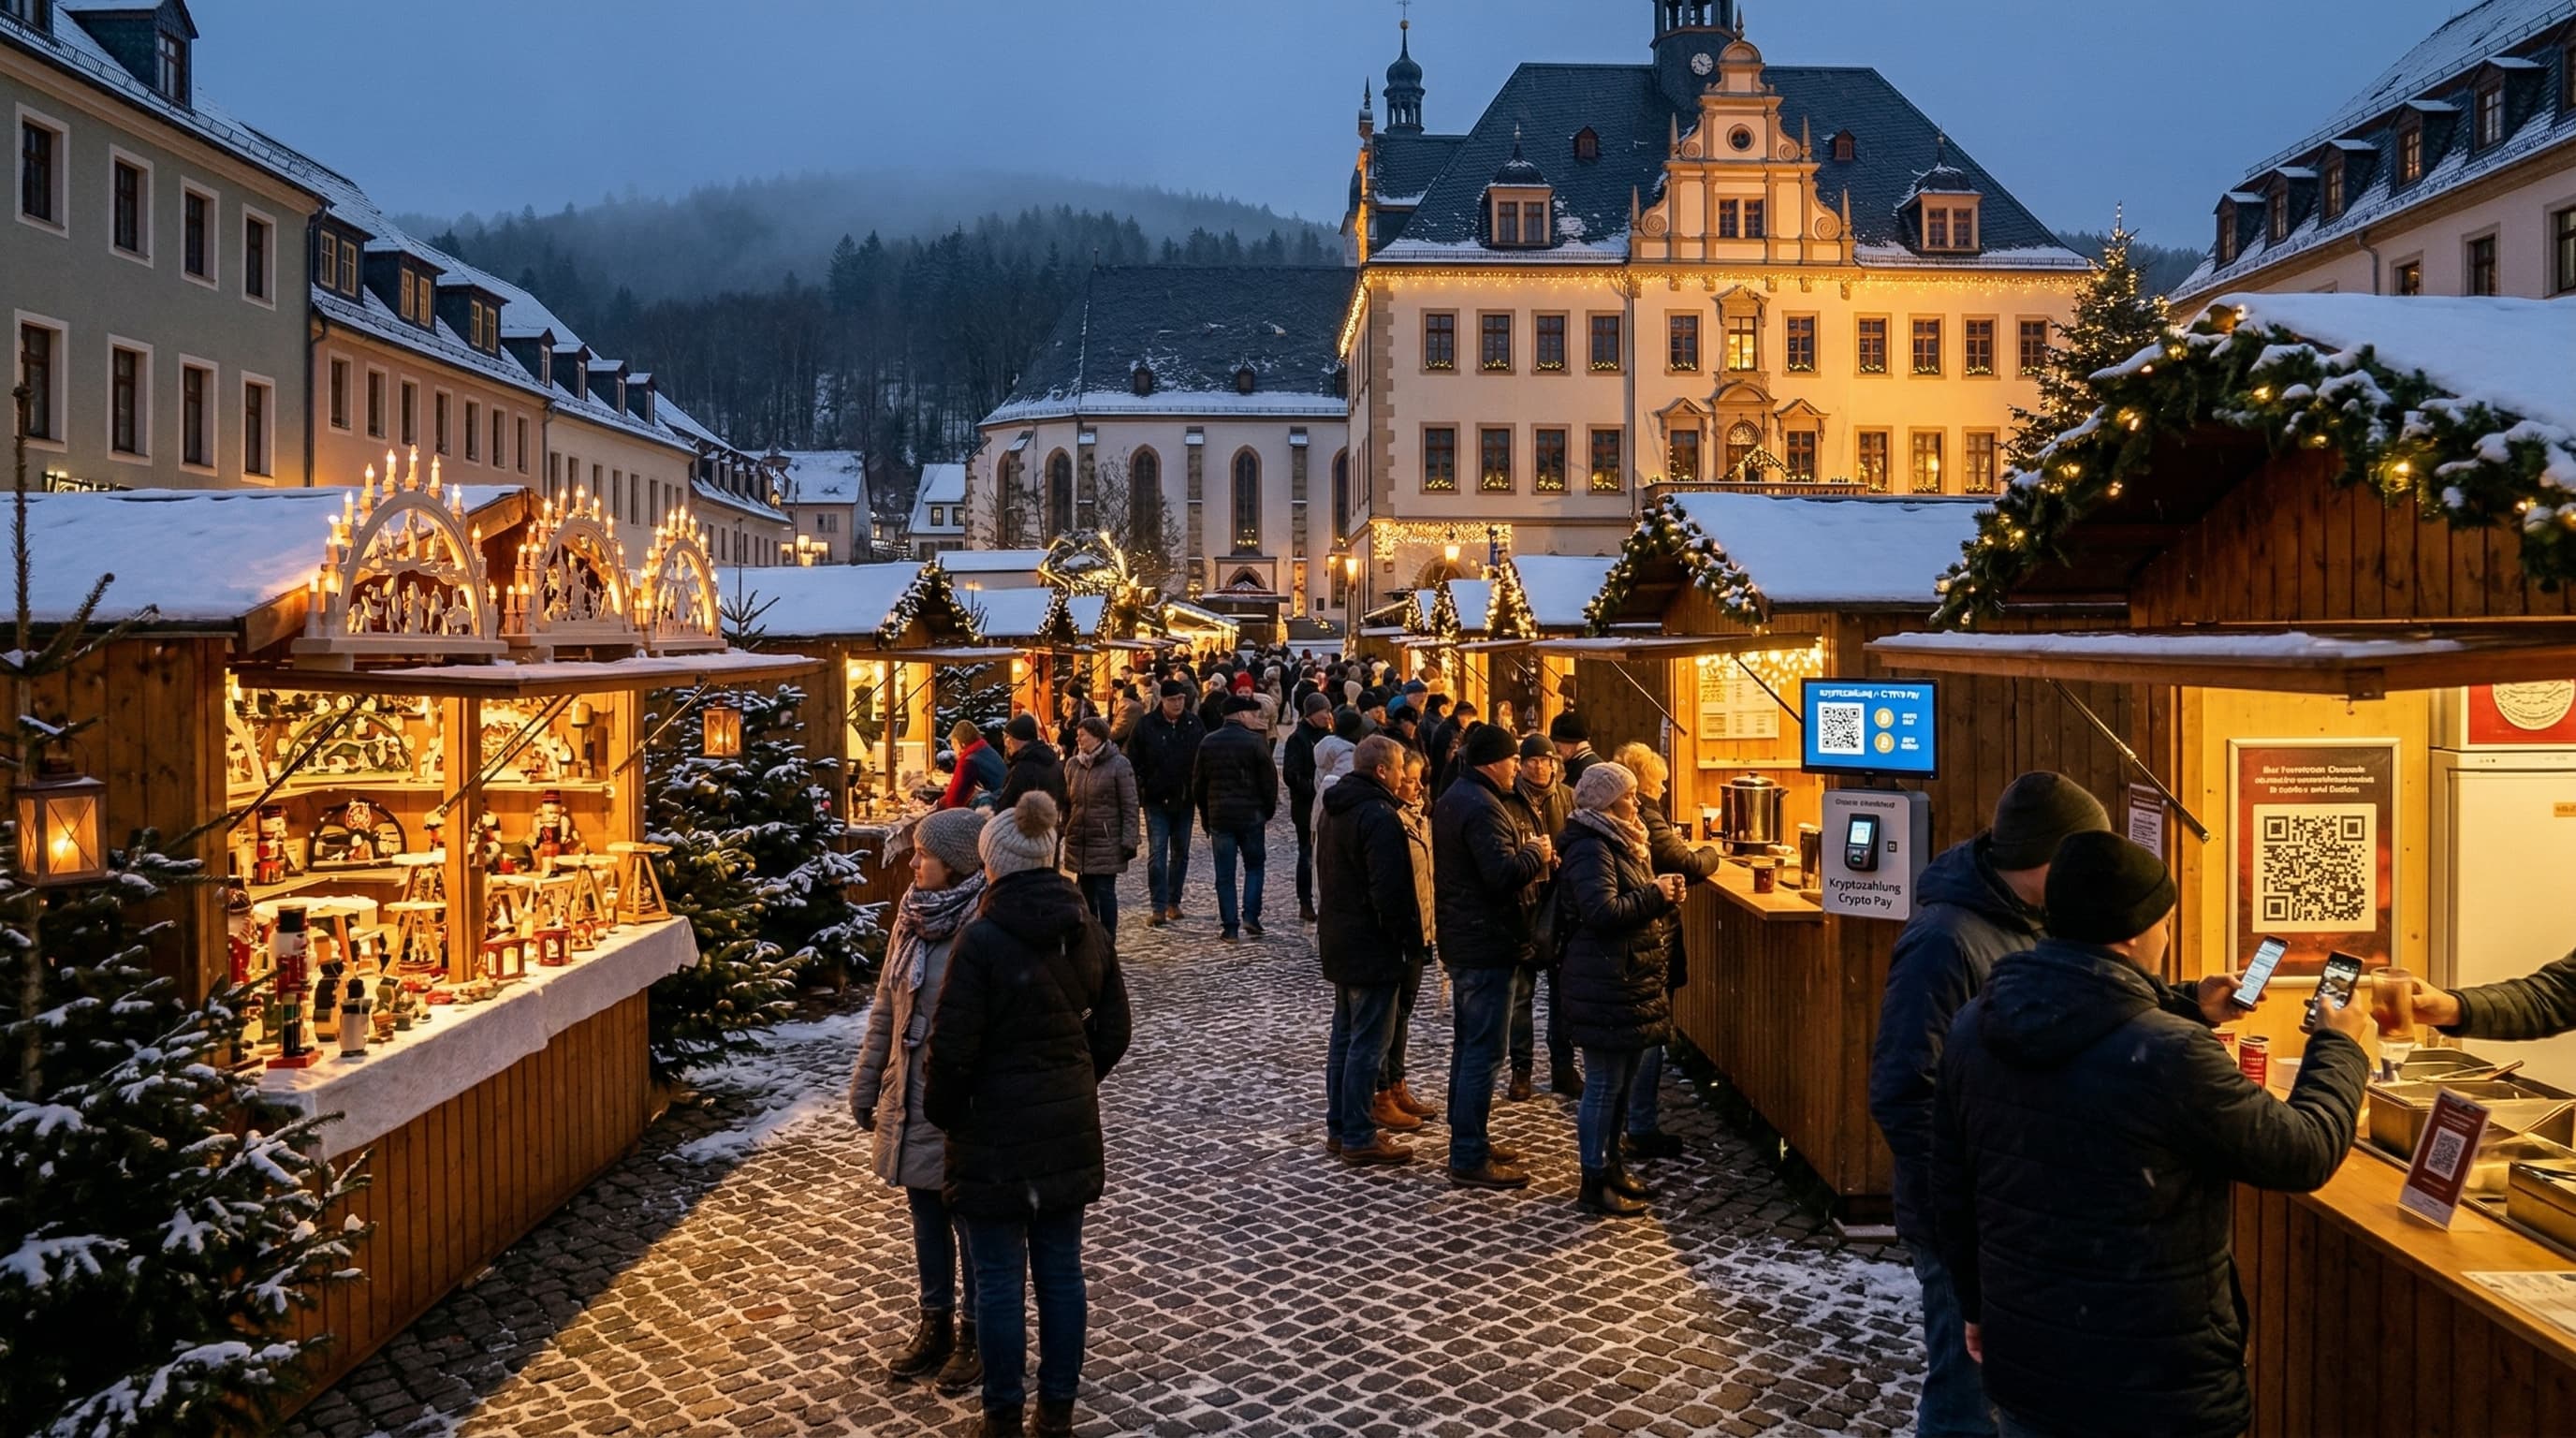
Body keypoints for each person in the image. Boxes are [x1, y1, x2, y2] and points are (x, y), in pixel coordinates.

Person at [1932, 831, 2366, 1438]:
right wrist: (2339, 1044)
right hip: (2155, 1385)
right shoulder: (2173, 1055)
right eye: (2165, 923)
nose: (2166, 937)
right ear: (2133, 935)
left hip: (2030, 1363)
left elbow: (1950, 1190)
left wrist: (1975, 1304)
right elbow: (2304, 1152)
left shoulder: (1975, 1025)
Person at [1868, 770, 2208, 1438]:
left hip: (2015, 1216)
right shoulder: (1945, 940)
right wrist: (1972, 1199)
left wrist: (2189, 1002)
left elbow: (2072, 1011)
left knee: (2010, 1393)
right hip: (1969, 1220)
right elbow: (1905, 1091)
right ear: (2049, 856)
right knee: (1966, 1397)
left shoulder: (2031, 919)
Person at [926, 794, 1133, 1438]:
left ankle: (1002, 1416)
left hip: (991, 1133)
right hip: (1064, 1130)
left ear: (995, 864)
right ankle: (1057, 1410)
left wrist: (948, 1112)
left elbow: (952, 1049)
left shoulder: (981, 940)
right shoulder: (1087, 928)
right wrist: (1071, 1081)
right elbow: (1115, 1031)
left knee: (997, 1281)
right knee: (1061, 1272)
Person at [850, 807, 990, 1395]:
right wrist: (867, 1083)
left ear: (954, 864)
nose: (912, 863)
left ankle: (975, 1333)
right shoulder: (910, 918)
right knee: (926, 1217)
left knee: (970, 1224)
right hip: (909, 1091)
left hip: (961, 1101)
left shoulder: (981, 925)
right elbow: (887, 1007)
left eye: (923, 854)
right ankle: (933, 1321)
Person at [1555, 762, 1687, 1218]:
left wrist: (1661, 894)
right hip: (1604, 979)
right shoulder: (1592, 847)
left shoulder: (1625, 840)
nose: (1637, 803)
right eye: (1629, 797)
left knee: (1622, 1082)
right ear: (1607, 803)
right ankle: (1593, 1180)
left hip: (1625, 978)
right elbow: (1602, 911)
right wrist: (1656, 894)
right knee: (1604, 1084)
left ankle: (1611, 1166)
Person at [1432, 722, 1553, 1190]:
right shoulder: (1482, 806)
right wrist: (1535, 853)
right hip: (1486, 944)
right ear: (1492, 762)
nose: (1518, 767)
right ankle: (1468, 1152)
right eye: (1513, 759)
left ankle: (1470, 1137)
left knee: (1470, 1046)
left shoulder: (1459, 796)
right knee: (1483, 1052)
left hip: (1469, 941)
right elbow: (1501, 875)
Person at [1609, 742, 1721, 1162]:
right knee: (1650, 1035)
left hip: (1643, 947)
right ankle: (1639, 1126)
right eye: (1658, 782)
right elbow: (1684, 862)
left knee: (1643, 1036)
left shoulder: (1631, 820)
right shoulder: (1646, 818)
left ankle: (1630, 1123)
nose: (1660, 790)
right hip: (1649, 945)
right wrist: (1712, 852)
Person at [1316, 735, 1425, 1166]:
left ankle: (1341, 1128)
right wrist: (1407, 943)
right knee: (1366, 1044)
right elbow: (1390, 892)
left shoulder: (1335, 808)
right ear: (1382, 770)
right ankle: (1359, 1134)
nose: (1403, 776)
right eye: (1399, 768)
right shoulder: (1378, 815)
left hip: (1341, 940)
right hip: (1372, 946)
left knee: (1345, 1039)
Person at [1374, 746, 1442, 1132]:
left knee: (1403, 1013)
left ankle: (1397, 1083)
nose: (1416, 787)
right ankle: (1383, 1091)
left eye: (1418, 780)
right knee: (1390, 1015)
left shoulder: (1421, 817)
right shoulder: (1389, 820)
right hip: (1400, 933)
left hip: (1421, 929)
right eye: (1409, 779)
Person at [1514, 733, 1579, 1097]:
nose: (1540, 767)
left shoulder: (1568, 798)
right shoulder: (1509, 800)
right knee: (1520, 997)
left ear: (1555, 764)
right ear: (1522, 765)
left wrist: (1564, 859)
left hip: (1560, 907)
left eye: (1546, 760)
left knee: (1562, 995)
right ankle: (1521, 1070)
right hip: (1522, 906)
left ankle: (1563, 1068)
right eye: (1532, 761)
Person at [1193, 694, 1279, 940]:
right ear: (1241, 715)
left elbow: (1199, 783)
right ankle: (1251, 916)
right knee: (1254, 867)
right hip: (1251, 816)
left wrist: (1206, 814)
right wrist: (1267, 810)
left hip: (1220, 816)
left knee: (1224, 875)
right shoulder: (1255, 742)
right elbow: (1269, 781)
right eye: (1252, 713)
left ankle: (1230, 927)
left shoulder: (1208, 742)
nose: (1255, 717)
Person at [1124, 681, 1205, 928]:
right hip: (1156, 799)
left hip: (1185, 799)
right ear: (1163, 701)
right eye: (1173, 700)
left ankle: (1173, 901)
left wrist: (1197, 787)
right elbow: (1132, 758)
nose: (1177, 704)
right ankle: (1158, 905)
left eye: (1181, 699)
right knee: (1157, 853)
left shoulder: (1194, 724)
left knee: (1181, 853)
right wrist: (1143, 785)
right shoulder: (1146, 725)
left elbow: (1203, 758)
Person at [1061, 717, 1139, 940]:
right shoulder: (1073, 765)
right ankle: (1091, 940)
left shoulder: (1119, 764)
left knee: (1105, 893)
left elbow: (1130, 804)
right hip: (1080, 840)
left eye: (1082, 735)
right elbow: (1067, 803)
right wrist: (1065, 827)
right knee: (1084, 896)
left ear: (1097, 737)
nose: (1078, 739)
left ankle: (1108, 939)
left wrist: (1129, 839)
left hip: (1106, 840)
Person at [1281, 693, 1335, 925]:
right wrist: (1314, 788)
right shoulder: (1298, 738)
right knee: (1306, 854)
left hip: (1327, 805)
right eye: (1324, 711)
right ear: (1312, 712)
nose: (1327, 715)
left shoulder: (1329, 736)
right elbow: (1290, 775)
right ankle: (1305, 901)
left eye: (1329, 710)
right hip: (1306, 806)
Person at [994, 712, 1069, 818]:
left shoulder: (1023, 767)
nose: (1006, 743)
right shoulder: (1054, 762)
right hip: (1049, 824)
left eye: (1007, 737)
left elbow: (1004, 805)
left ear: (1018, 738)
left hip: (1027, 825)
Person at [941, 720, 1007, 811]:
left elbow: (954, 799)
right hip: (1004, 801)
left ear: (958, 743)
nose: (955, 753)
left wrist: (938, 805)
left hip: (995, 807)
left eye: (954, 747)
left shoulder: (968, 760)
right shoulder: (984, 749)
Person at [1550, 712, 1599, 785]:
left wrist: (1558, 781)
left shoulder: (1589, 771)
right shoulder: (1576, 764)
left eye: (1558, 746)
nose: (1554, 747)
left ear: (1574, 742)